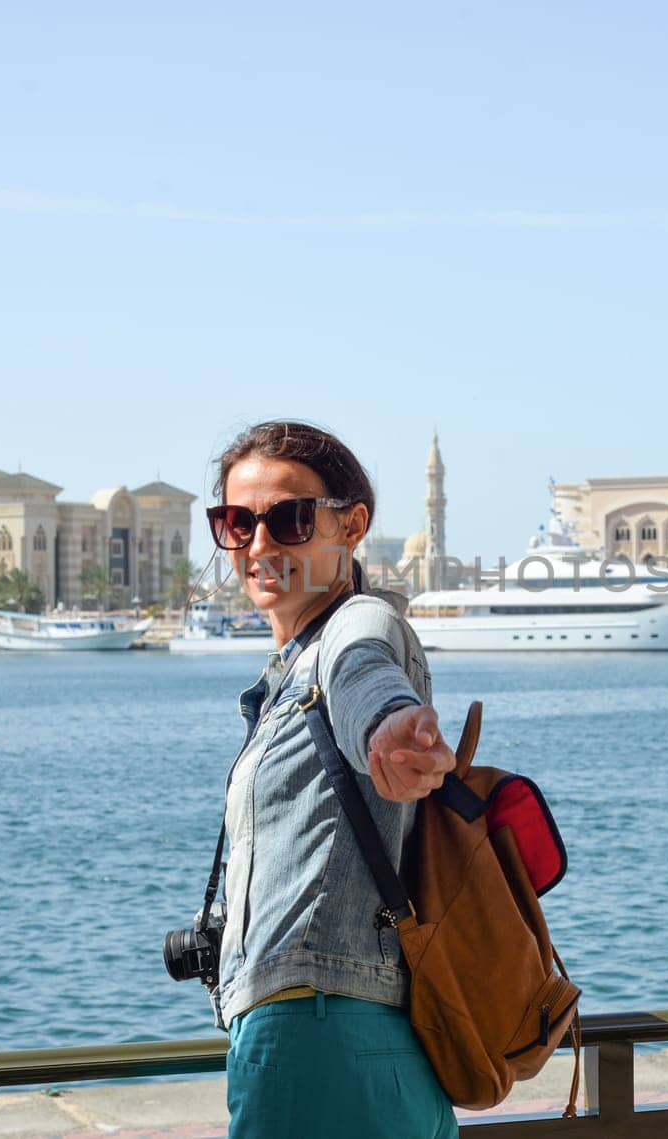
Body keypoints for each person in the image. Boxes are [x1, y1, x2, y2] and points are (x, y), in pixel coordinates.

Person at [205, 420, 460, 1139]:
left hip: (313, 1037)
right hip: (375, 1049)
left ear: (352, 527)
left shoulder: (354, 628)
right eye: (235, 522)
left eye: (287, 518)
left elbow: (367, 676)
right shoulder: (290, 673)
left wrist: (390, 728)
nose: (258, 544)